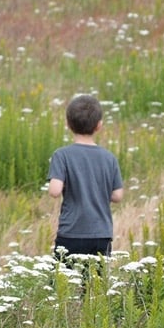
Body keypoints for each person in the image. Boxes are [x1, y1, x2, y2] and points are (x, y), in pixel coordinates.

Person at [47, 94, 124, 259]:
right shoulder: (109, 157)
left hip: (71, 232)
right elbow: (117, 196)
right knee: (95, 283)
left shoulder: (62, 155)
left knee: (64, 282)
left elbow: (54, 191)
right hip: (101, 233)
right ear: (99, 126)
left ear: (68, 124)